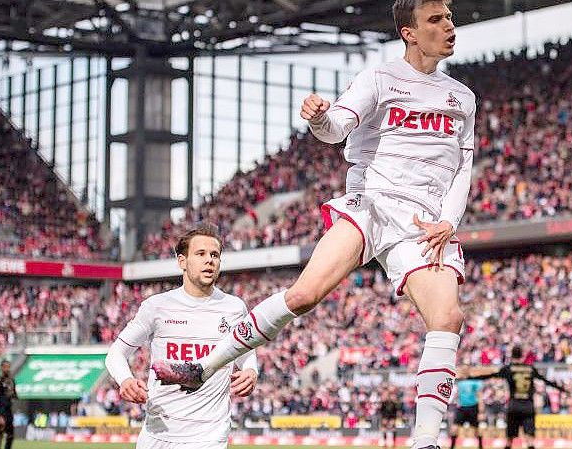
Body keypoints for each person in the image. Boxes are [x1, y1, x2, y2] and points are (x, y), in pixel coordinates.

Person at [153, 2, 475, 449]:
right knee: (303, 296)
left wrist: (448, 220)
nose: (449, 27)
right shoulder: (379, 79)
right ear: (409, 33)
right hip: (372, 206)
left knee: (449, 317)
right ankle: (203, 368)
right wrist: (320, 116)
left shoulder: (462, 97)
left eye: (449, 17)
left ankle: (426, 441)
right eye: (436, 20)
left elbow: (463, 166)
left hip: (424, 224)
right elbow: (336, 128)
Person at [105, 225, 258, 449]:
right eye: (201, 254)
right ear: (182, 262)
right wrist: (125, 380)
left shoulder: (234, 308)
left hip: (209, 436)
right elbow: (115, 353)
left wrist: (251, 370)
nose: (210, 261)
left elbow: (246, 350)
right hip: (158, 434)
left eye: (215, 255)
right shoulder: (157, 306)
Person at [465, 347, 565, 449]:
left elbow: (491, 376)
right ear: (522, 355)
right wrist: (562, 389)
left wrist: (470, 378)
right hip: (528, 406)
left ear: (511, 355)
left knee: (509, 439)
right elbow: (546, 381)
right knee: (530, 439)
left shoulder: (508, 369)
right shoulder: (530, 369)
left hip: (514, 406)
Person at [450, 378, 485, 449]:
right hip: (461, 408)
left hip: (473, 407)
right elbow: (457, 394)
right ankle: (452, 447)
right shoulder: (459, 382)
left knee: (477, 430)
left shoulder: (476, 381)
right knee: (454, 428)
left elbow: (480, 396)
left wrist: (481, 412)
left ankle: (481, 446)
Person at [0, 360, 17, 449]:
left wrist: (13, 395)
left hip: (8, 411)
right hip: (0, 410)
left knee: (10, 435)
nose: (7, 369)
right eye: (5, 367)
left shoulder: (11, 380)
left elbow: (14, 394)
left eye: (8, 367)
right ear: (1, 368)